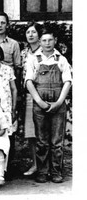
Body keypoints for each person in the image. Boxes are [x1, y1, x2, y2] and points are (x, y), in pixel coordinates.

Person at [25, 32, 72, 184]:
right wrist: (39, 101)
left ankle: (56, 172)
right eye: (44, 40)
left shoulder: (62, 60)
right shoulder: (34, 59)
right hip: (40, 105)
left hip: (58, 105)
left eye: (50, 40)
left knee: (57, 142)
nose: (47, 43)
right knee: (41, 141)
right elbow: (28, 82)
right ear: (40, 42)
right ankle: (42, 172)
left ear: (55, 40)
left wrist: (58, 103)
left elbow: (68, 82)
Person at [20, 22, 42, 176]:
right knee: (31, 132)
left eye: (34, 32)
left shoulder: (46, 50)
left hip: (43, 94)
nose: (31, 35)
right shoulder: (24, 53)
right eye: (28, 32)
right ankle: (35, 165)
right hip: (28, 95)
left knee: (44, 132)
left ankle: (47, 165)